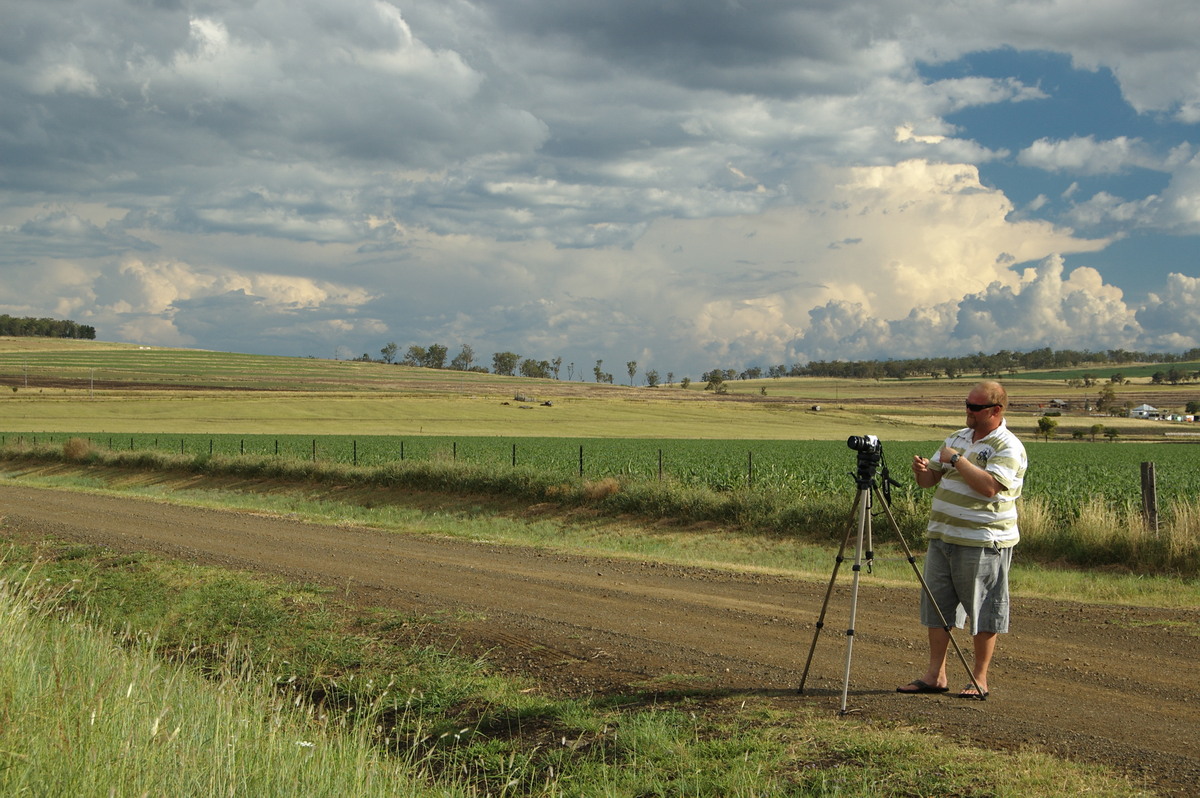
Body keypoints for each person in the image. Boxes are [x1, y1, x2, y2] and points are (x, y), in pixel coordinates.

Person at [897, 380, 1027, 699]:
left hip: (983, 540)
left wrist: (957, 461)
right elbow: (930, 481)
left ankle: (979, 678)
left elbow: (989, 487)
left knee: (982, 608)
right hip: (943, 536)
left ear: (996, 410)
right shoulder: (957, 437)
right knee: (938, 607)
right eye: (966, 404)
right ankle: (935, 675)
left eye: (975, 407)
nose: (968, 411)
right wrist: (921, 470)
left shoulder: (1007, 445)